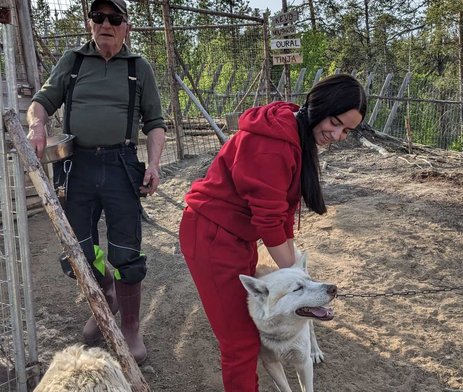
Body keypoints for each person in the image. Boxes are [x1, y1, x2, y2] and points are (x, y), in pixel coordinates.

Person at [178, 73, 367, 391]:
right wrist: (298, 280)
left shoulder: (296, 133)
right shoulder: (273, 142)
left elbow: (282, 215)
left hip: (239, 235)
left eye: (347, 130)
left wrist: (299, 278)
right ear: (317, 105)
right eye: (335, 123)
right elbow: (268, 222)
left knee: (249, 330)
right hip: (212, 235)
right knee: (240, 344)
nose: (337, 135)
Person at [27, 0, 166, 364]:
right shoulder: (72, 61)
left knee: (126, 250)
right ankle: (105, 297)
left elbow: (154, 121)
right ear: (90, 23)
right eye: (98, 17)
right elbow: (42, 101)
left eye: (114, 18)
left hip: (121, 164)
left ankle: (132, 328)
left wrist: (153, 163)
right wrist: (36, 124)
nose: (105, 23)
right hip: (76, 167)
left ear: (126, 26)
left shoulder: (139, 67)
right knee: (78, 249)